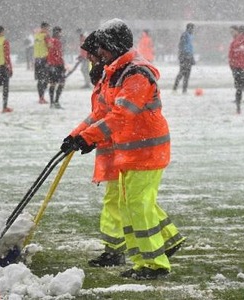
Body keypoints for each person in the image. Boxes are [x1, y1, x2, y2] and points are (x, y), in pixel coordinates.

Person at [61, 19, 185, 280]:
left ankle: (154, 263)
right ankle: (146, 259)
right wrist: (76, 136)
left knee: (138, 206)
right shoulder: (117, 71)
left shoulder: (136, 74)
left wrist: (89, 138)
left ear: (115, 46)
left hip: (147, 152)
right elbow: (102, 112)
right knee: (131, 206)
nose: (99, 54)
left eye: (103, 48)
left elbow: (121, 115)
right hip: (129, 152)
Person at [172, 23, 195, 94]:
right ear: (188, 28)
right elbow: (181, 46)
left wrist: (192, 57)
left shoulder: (190, 36)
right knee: (182, 73)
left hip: (189, 57)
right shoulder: (185, 35)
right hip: (184, 57)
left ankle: (184, 90)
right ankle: (174, 89)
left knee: (187, 74)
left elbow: (190, 48)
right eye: (192, 28)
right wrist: (183, 56)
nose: (193, 30)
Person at [47, 26, 65, 109]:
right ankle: (56, 101)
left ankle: (51, 103)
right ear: (57, 33)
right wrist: (62, 65)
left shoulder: (50, 40)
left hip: (50, 65)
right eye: (60, 33)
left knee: (52, 84)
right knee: (61, 83)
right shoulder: (57, 42)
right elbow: (58, 54)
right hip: (57, 65)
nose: (61, 34)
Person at [33, 22, 51, 104]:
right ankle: (42, 97)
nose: (48, 30)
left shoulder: (36, 36)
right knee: (46, 79)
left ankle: (40, 97)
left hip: (37, 60)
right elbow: (50, 46)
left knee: (40, 80)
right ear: (44, 28)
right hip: (44, 59)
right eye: (47, 28)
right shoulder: (45, 36)